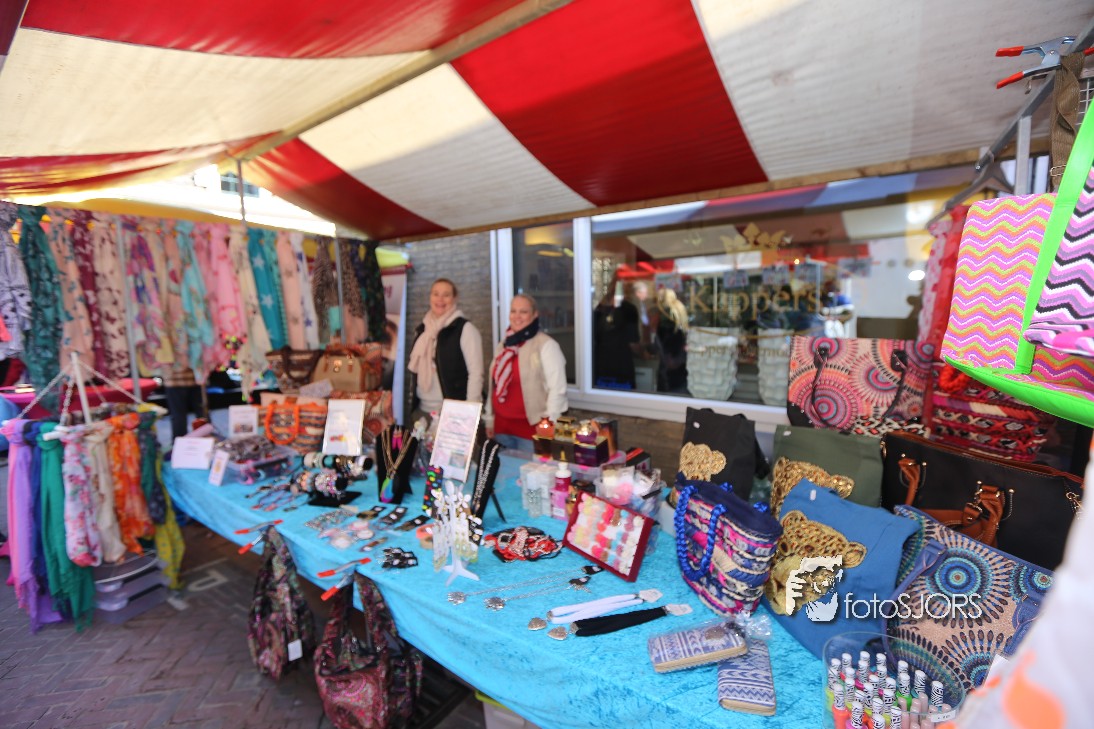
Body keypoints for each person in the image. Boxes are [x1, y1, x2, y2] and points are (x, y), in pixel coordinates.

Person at [484, 294, 568, 451]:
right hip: (501, 428)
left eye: (523, 312)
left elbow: (558, 389)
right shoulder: (503, 346)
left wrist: (549, 424)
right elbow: (492, 385)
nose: (517, 316)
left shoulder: (547, 345)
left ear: (535, 315)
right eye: (513, 311)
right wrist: (489, 419)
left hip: (531, 432)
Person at [407, 278, 484, 422]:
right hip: (422, 411)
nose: (440, 299)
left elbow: (476, 374)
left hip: (453, 413)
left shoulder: (465, 329)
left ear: (455, 298)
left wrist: (470, 414)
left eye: (446, 295)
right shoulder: (422, 330)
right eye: (435, 294)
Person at [593, 280, 640, 389]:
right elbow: (633, 344)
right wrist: (644, 352)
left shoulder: (599, 309)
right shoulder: (629, 310)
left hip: (601, 369)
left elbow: (594, 339)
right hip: (622, 370)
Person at [656, 287, 688, 391]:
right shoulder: (679, 308)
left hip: (670, 367)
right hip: (680, 365)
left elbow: (667, 338)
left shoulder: (667, 314)